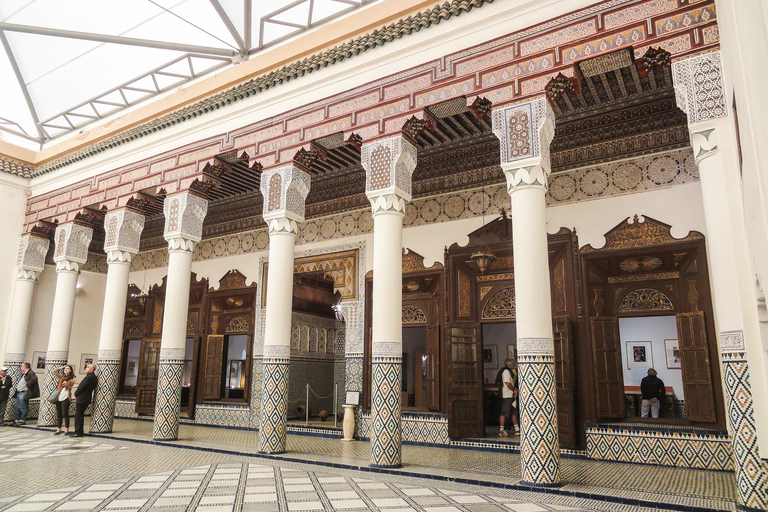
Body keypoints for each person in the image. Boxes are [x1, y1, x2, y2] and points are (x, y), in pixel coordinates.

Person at [72, 363, 97, 437]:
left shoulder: (89, 377)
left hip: (83, 398)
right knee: (79, 415)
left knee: (78, 415)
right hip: (85, 398)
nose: (86, 368)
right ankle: (79, 431)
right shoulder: (92, 377)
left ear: (92, 369)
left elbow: (81, 387)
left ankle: (78, 432)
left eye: (88, 367)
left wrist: (76, 394)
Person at [52, 365, 76, 435]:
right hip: (59, 396)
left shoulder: (72, 378)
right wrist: (61, 368)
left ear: (70, 370)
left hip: (66, 396)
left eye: (68, 368)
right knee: (59, 414)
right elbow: (54, 372)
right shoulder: (61, 376)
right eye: (65, 368)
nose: (66, 369)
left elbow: (69, 386)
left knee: (65, 413)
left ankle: (66, 430)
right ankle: (58, 429)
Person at [498, 358, 519, 437]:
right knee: (504, 412)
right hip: (506, 395)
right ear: (510, 364)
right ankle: (501, 430)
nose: (514, 365)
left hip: (510, 395)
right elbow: (507, 383)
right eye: (513, 364)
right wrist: (514, 390)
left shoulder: (510, 372)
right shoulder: (506, 372)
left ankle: (517, 429)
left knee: (513, 412)